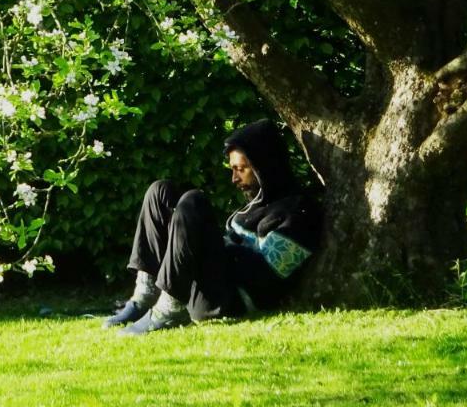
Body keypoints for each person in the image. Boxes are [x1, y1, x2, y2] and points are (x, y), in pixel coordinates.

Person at [104, 119, 322, 335]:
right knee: (160, 191)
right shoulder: (256, 204)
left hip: (228, 300)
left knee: (193, 202)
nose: (234, 178)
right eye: (232, 169)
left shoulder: (299, 212)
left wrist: (215, 245)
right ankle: (145, 297)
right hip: (211, 281)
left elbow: (267, 281)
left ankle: (167, 312)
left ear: (263, 167)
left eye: (241, 169)